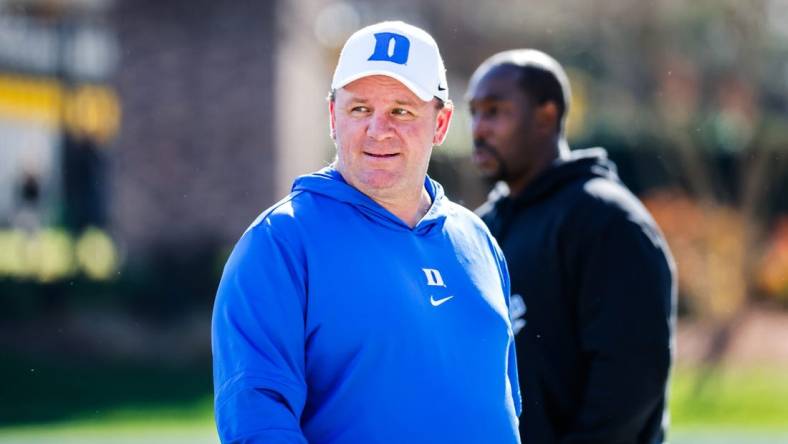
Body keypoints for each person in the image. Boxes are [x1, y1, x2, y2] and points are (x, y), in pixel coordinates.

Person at [212, 21, 521, 443]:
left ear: (441, 122)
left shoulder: (477, 239)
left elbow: (505, 402)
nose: (378, 130)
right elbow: (257, 420)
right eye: (360, 108)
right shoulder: (280, 243)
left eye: (401, 110)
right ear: (333, 116)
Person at [467, 49, 676, 444]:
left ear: (547, 115)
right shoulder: (481, 228)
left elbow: (630, 381)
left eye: (495, 111)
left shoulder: (606, 220)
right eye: (474, 112)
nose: (478, 128)